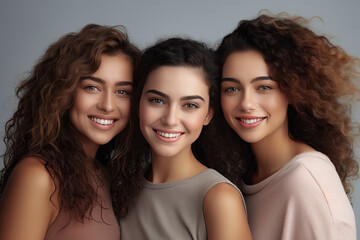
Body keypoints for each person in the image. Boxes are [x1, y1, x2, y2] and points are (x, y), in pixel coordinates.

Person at [216, 14, 359, 240]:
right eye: (232, 89)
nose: (246, 104)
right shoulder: (242, 178)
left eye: (263, 87)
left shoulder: (305, 180)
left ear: (293, 91)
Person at [0, 24, 140, 240]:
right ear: (62, 93)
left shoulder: (101, 173)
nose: (108, 105)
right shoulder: (38, 175)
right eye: (92, 87)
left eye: (122, 91)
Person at [120, 38, 252, 240]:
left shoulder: (219, 198)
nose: (170, 119)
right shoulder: (123, 187)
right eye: (157, 100)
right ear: (138, 104)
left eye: (190, 105)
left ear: (208, 114)